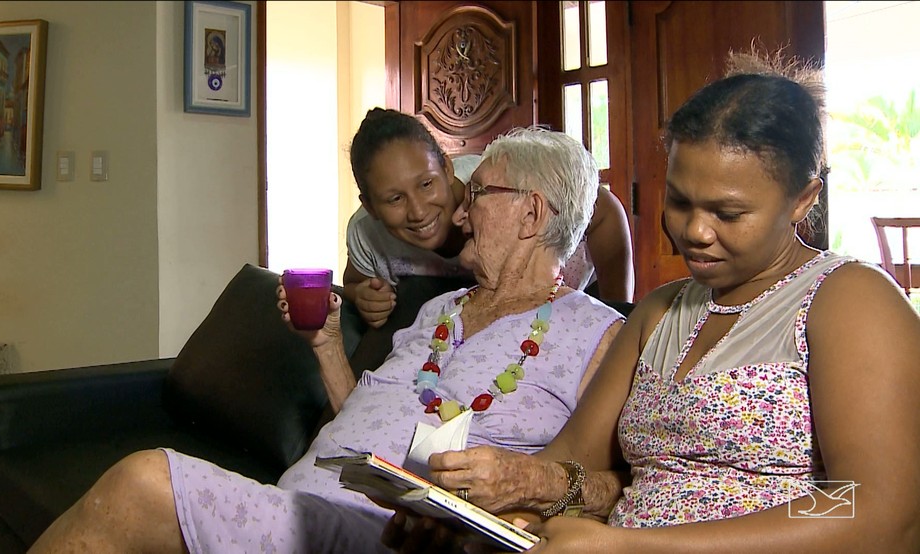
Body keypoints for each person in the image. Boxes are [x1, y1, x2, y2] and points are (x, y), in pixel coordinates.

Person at [381, 49, 920, 552]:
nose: (696, 231)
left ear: (804, 199)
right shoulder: (660, 312)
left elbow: (874, 507)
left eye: (728, 213)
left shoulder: (849, 300)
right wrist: (471, 512)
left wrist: (638, 547)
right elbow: (566, 465)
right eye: (680, 201)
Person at [27, 127, 626, 554]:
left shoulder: (599, 333)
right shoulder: (441, 308)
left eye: (479, 196)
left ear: (531, 214)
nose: (461, 215)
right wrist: (323, 341)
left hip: (389, 529)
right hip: (308, 499)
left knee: (145, 483)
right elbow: (365, 416)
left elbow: (610, 483)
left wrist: (518, 492)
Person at [343, 108, 634, 329]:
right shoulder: (366, 234)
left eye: (426, 184)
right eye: (395, 199)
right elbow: (354, 282)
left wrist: (618, 310)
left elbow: (604, 207)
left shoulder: (494, 182)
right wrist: (363, 295)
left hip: (572, 277)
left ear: (446, 167)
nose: (418, 211)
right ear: (369, 206)